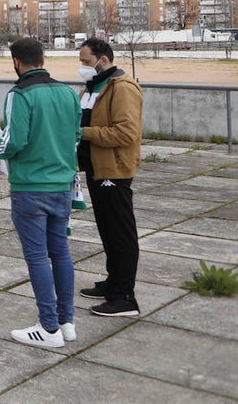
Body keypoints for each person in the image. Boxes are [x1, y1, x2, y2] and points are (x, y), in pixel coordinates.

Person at [0, 37, 82, 349]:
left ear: (16, 61)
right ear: (41, 58)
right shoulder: (68, 93)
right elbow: (76, 134)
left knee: (37, 256)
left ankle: (48, 327)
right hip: (62, 184)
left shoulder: (20, 93)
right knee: (61, 252)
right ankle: (66, 321)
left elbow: (13, 141)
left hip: (30, 187)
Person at [77, 37, 143, 317]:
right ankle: (113, 282)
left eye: (86, 62)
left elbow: (127, 133)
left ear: (103, 60)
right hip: (96, 167)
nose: (83, 68)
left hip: (114, 170)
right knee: (107, 229)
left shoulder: (123, 88)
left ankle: (125, 297)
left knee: (120, 232)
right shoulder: (94, 87)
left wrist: (84, 133)